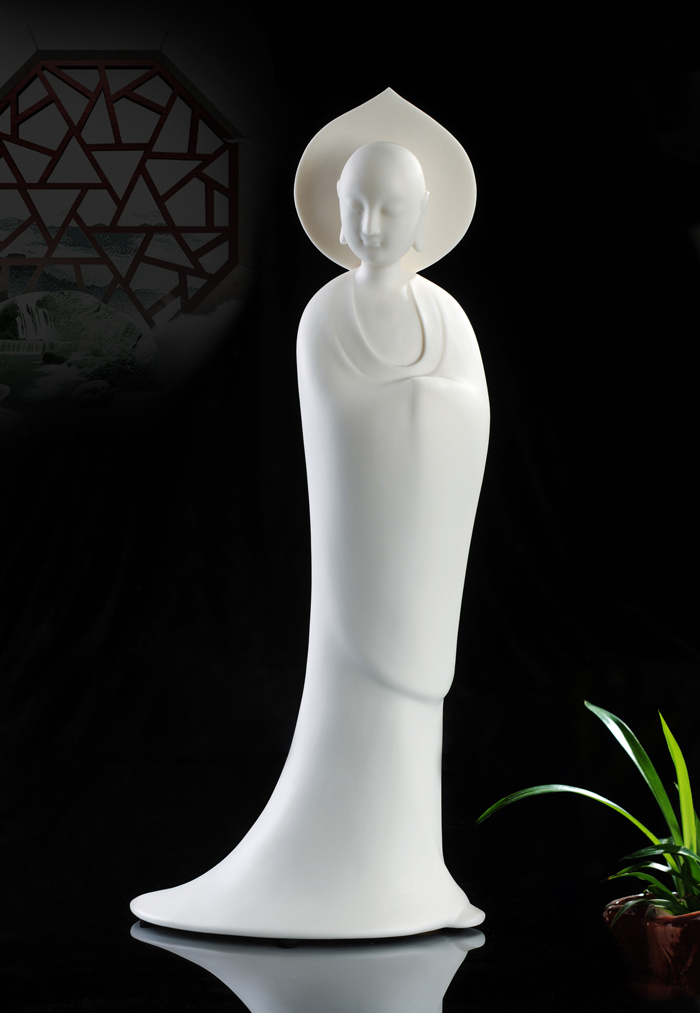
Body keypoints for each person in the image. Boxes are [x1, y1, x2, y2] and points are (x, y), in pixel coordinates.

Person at [131, 90, 489, 938]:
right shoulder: (326, 313)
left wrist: (428, 404)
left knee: (413, 714)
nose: (371, 225)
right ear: (335, 211)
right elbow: (335, 421)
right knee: (356, 691)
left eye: (391, 208)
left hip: (418, 553)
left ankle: (413, 874)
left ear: (423, 214)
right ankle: (330, 868)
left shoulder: (446, 315)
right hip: (364, 552)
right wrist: (416, 402)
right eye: (356, 206)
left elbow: (473, 413)